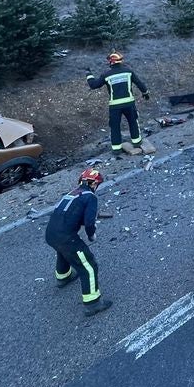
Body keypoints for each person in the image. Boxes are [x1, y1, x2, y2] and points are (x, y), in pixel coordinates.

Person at [46, 168, 111, 316]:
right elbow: (89, 223)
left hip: (51, 234)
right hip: (66, 237)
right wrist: (91, 235)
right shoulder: (90, 197)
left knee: (63, 252)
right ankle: (92, 303)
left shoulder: (71, 194)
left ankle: (63, 276)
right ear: (94, 184)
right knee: (88, 265)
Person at [87, 52, 151, 153]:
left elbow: (93, 85)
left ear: (110, 63)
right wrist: (145, 92)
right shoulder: (128, 72)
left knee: (115, 126)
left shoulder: (106, 75)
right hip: (129, 104)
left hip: (115, 106)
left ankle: (116, 149)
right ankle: (137, 142)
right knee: (133, 122)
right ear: (121, 61)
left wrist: (88, 74)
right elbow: (139, 83)